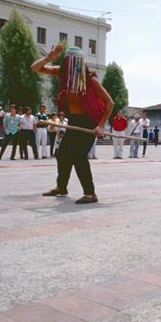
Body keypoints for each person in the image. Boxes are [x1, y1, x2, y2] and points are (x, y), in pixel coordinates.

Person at [32, 44, 114, 204]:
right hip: (74, 121)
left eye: (75, 62)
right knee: (62, 154)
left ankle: (90, 193)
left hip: (89, 122)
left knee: (79, 156)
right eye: (69, 62)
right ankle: (61, 187)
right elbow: (35, 68)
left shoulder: (90, 80)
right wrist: (48, 58)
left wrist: (101, 125)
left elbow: (109, 102)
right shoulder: (61, 72)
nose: (72, 66)